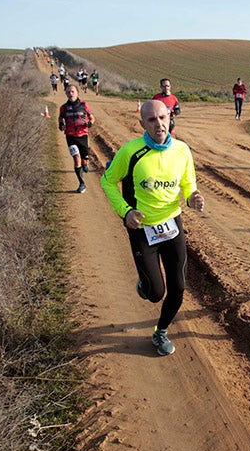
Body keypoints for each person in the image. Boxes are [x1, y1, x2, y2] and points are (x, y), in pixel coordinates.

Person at [100, 100, 205, 356]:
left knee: (179, 288)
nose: (159, 124)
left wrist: (193, 198)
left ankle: (161, 331)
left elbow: (188, 184)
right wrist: (126, 212)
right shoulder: (130, 152)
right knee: (156, 293)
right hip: (142, 229)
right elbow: (107, 181)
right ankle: (146, 284)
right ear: (142, 124)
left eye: (162, 117)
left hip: (172, 225)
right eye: (151, 120)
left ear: (170, 117)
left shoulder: (182, 150)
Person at [58, 83, 95, 193]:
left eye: (72, 91)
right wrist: (61, 125)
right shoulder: (63, 108)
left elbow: (92, 117)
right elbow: (60, 119)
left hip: (83, 135)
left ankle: (85, 164)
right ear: (66, 94)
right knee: (76, 158)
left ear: (77, 93)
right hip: (70, 137)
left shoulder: (84, 105)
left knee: (85, 160)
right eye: (68, 92)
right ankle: (82, 183)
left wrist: (90, 123)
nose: (70, 94)